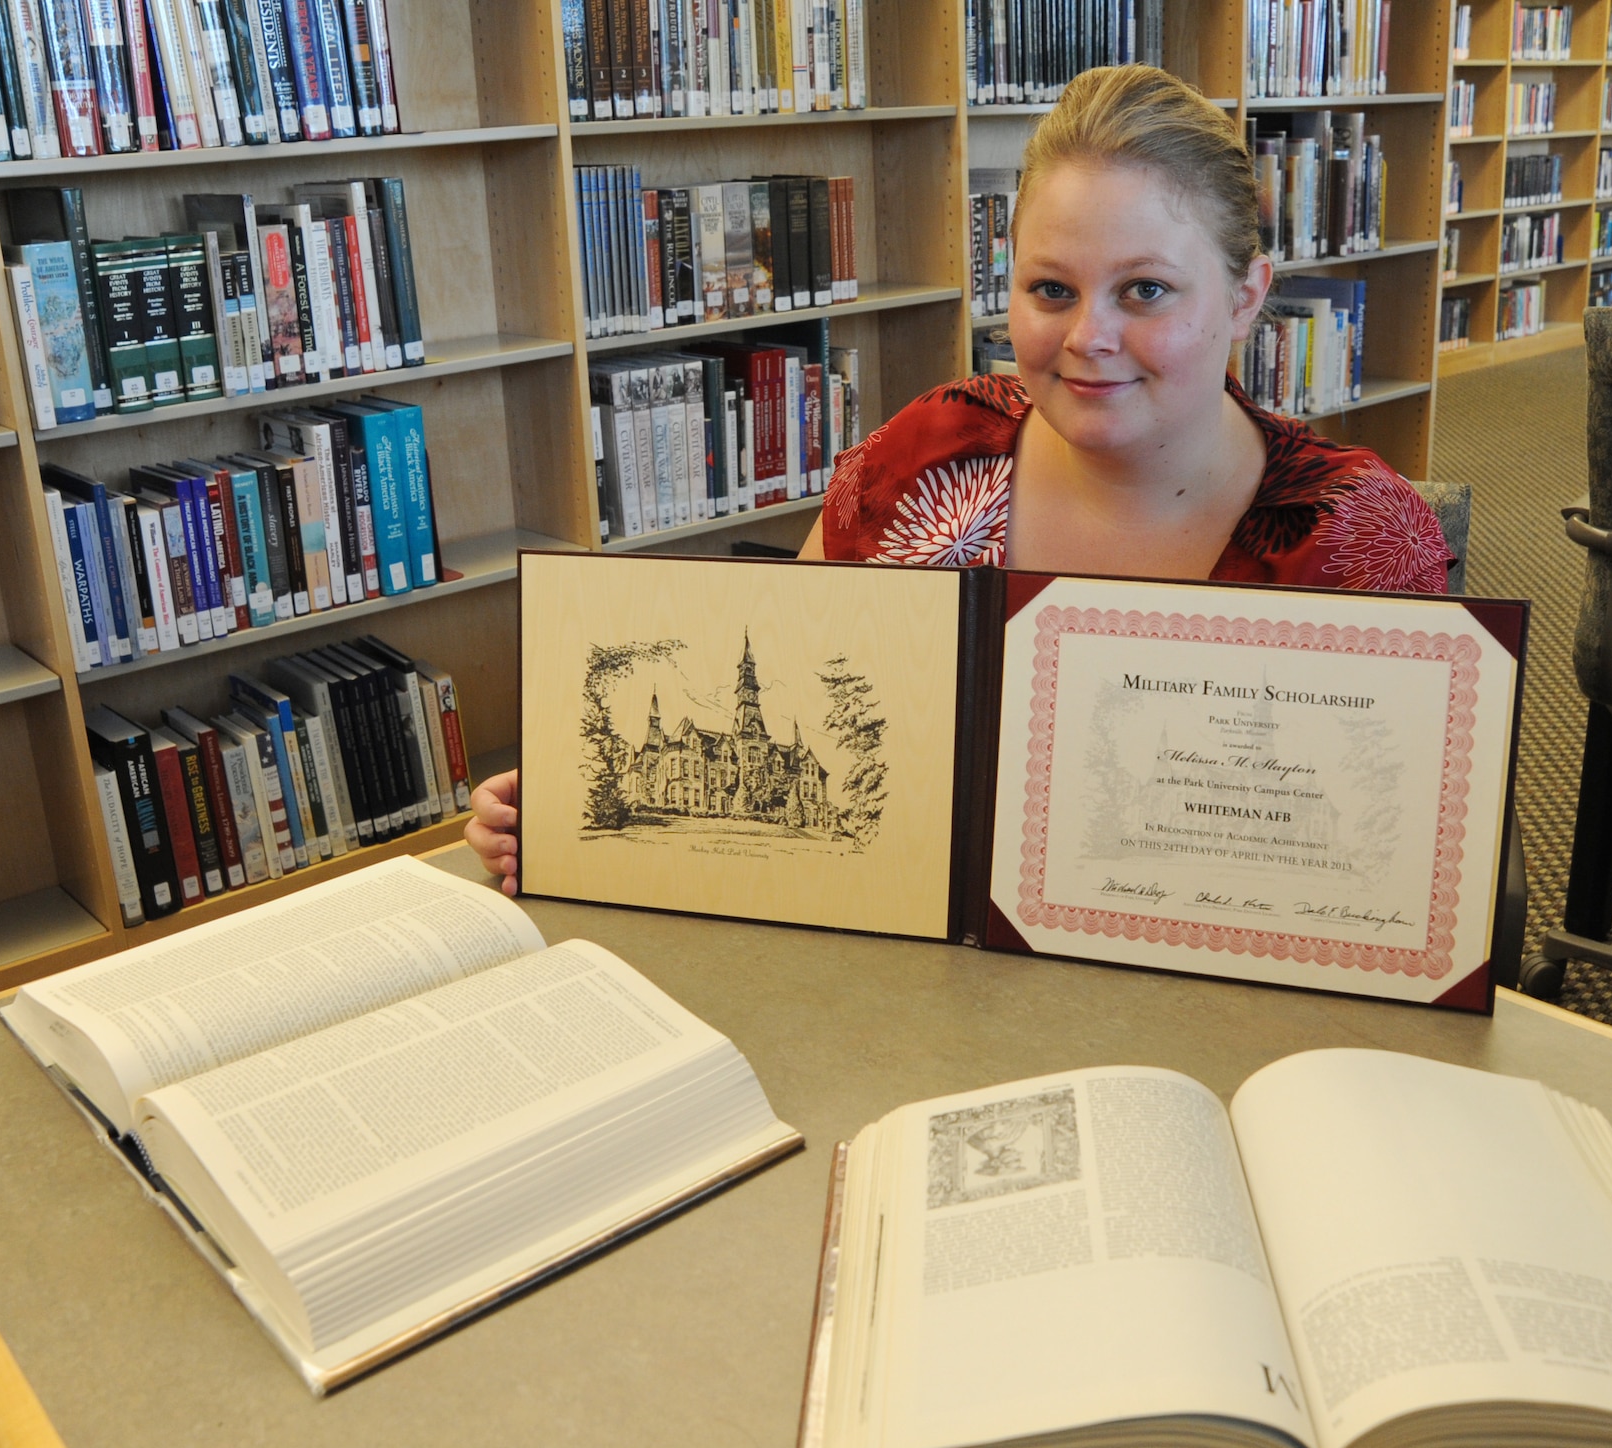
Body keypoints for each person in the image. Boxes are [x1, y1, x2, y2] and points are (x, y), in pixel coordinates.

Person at [466, 63, 1450, 895]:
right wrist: (569, 806)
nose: (1086, 338)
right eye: (1049, 290)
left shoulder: (1359, 540)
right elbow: (773, 699)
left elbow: (1390, 874)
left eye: (1143, 290)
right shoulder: (927, 451)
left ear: (1245, 297)